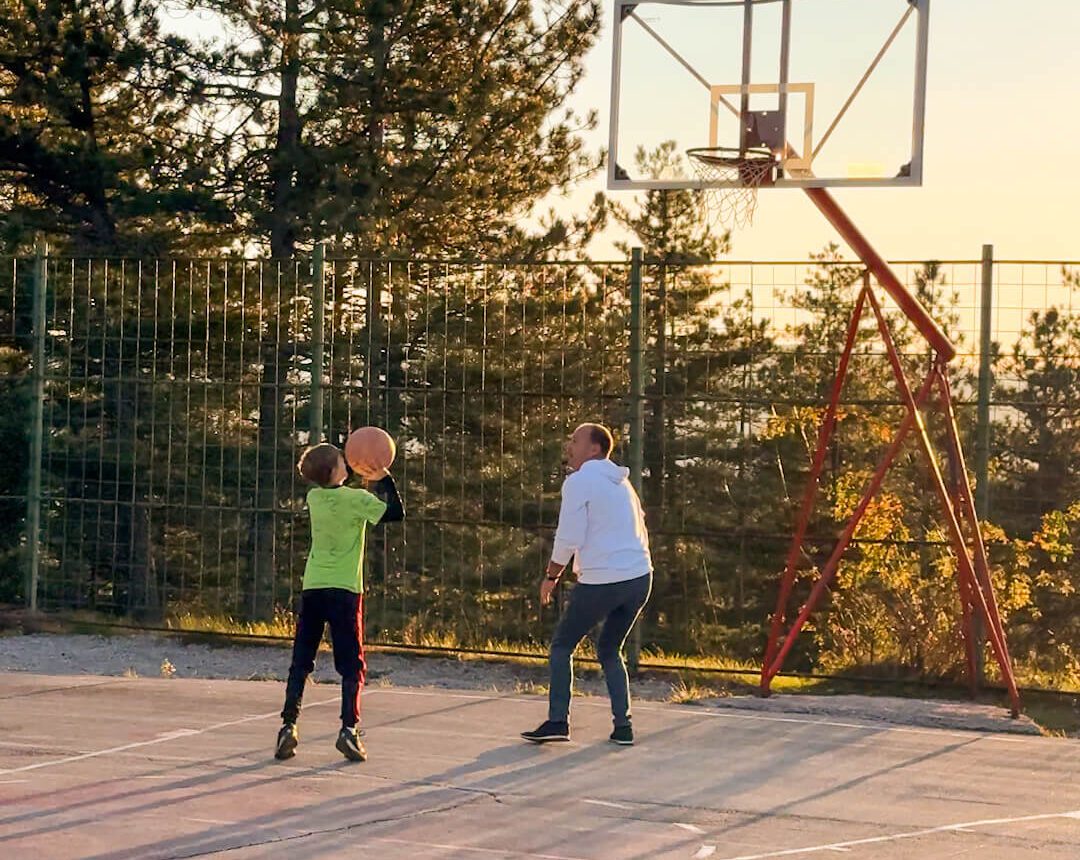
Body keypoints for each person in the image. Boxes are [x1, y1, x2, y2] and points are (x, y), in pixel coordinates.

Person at [522, 423, 652, 746]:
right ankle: (623, 727)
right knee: (609, 648)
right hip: (639, 577)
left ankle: (557, 722)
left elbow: (568, 536)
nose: (569, 446)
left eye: (575, 440)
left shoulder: (580, 481)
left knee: (562, 646)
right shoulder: (623, 484)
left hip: (604, 580)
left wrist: (551, 576)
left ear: (594, 449)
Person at [274, 441, 404, 762]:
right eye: (342, 462)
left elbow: (333, 483)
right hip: (345, 590)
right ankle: (349, 729)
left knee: (301, 660)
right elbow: (395, 514)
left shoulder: (314, 498)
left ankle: (288, 726)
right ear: (334, 471)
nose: (348, 463)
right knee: (352, 665)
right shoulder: (357, 499)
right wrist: (383, 478)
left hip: (314, 586)